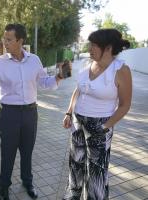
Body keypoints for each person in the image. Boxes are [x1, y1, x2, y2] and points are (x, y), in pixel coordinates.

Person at [0, 23, 63, 200]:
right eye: (4, 38)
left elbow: (44, 83)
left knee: (27, 151)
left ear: (20, 40)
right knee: (7, 152)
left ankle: (27, 182)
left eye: (9, 39)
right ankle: (4, 187)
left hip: (30, 114)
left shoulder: (34, 60)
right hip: (9, 114)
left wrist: (59, 76)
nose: (5, 42)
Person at [62, 28, 132, 200]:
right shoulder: (89, 64)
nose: (90, 48)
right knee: (75, 165)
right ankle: (73, 196)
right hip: (78, 122)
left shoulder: (121, 70)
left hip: (100, 125)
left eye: (94, 45)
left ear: (108, 48)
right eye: (90, 44)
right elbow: (78, 90)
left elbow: (125, 105)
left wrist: (104, 127)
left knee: (97, 171)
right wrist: (69, 112)